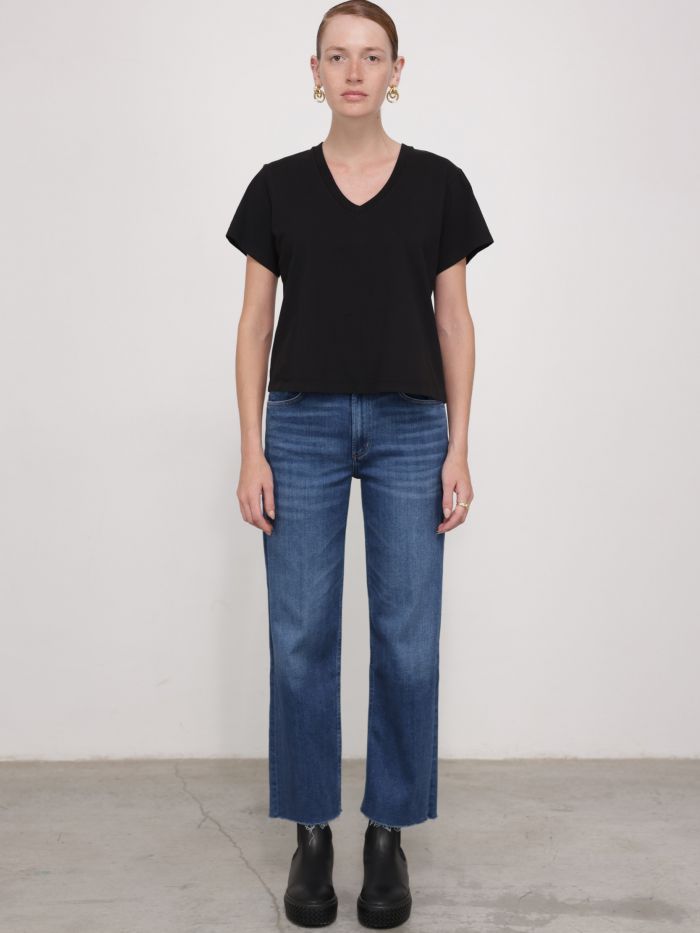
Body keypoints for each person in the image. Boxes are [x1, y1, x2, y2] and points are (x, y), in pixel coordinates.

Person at [225, 1, 494, 926]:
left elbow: (454, 321)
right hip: (299, 425)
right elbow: (253, 326)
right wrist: (252, 447)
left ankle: (388, 833)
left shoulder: (439, 185)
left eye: (371, 56)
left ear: (396, 72)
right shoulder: (276, 187)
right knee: (301, 637)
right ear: (314, 71)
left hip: (411, 426)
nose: (353, 71)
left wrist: (460, 444)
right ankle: (312, 833)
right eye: (336, 56)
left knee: (407, 641)